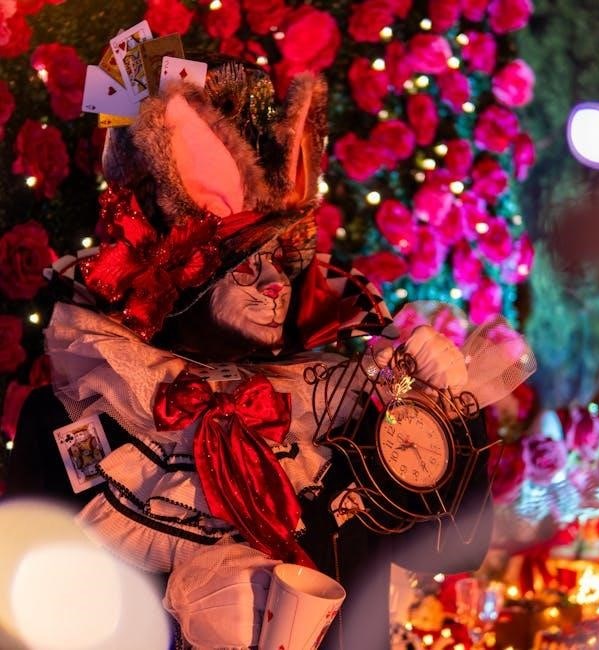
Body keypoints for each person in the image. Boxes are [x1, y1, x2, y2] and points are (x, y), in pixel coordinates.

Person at [7, 54, 533, 649]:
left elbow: (458, 548)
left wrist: (443, 403)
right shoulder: (70, 417)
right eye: (245, 264)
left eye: (282, 259)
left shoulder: (346, 405)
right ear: (178, 279)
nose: (275, 283)